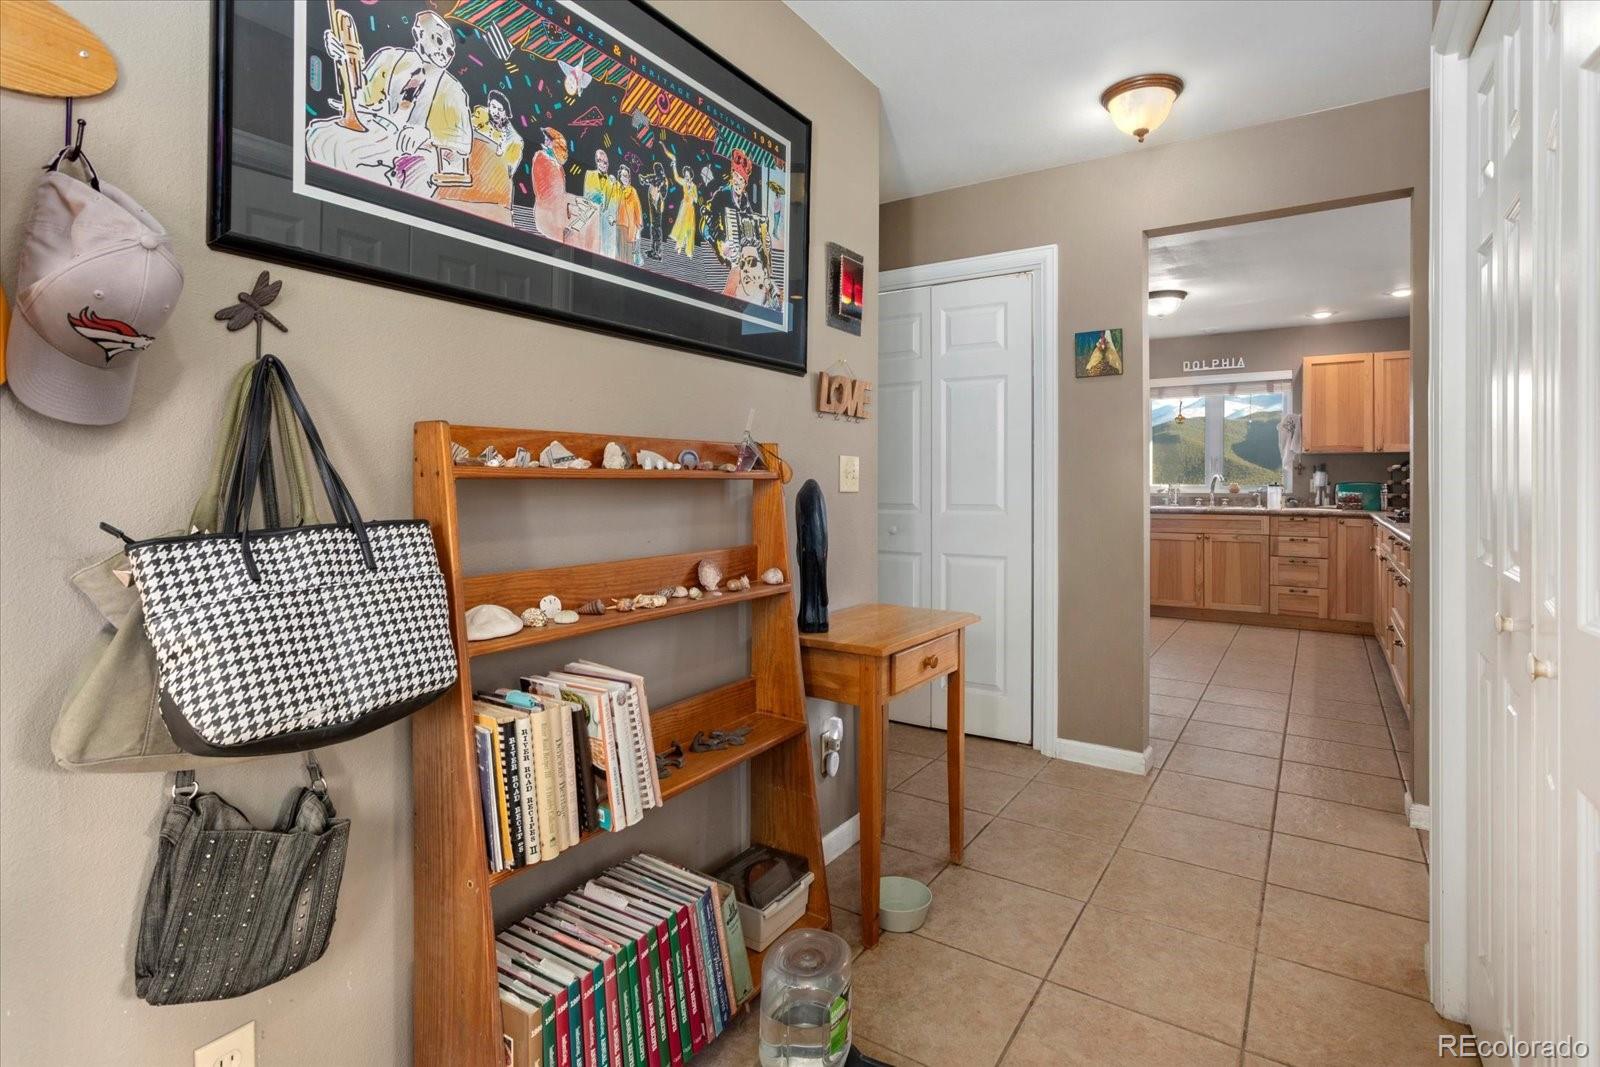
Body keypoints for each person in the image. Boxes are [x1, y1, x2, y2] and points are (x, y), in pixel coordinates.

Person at [305, 9, 470, 197]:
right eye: (438, 40)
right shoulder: (389, 57)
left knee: (418, 171)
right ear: (419, 34)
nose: (444, 52)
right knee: (321, 136)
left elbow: (461, 145)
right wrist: (344, 58)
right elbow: (358, 97)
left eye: (450, 49)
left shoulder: (454, 91)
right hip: (376, 134)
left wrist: (427, 136)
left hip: (419, 153)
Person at [436, 89, 523, 222]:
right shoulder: (479, 116)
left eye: (500, 109)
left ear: (506, 113)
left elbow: (509, 171)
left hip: (493, 185)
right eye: (493, 106)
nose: (495, 112)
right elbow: (464, 135)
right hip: (468, 173)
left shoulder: (514, 140)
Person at [531, 126, 570, 242]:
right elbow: (540, 189)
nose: (545, 141)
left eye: (548, 139)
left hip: (557, 216)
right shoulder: (541, 156)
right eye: (545, 139)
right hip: (546, 212)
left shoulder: (559, 166)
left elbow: (561, 192)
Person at [583, 148, 620, 259]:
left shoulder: (614, 183)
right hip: (593, 220)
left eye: (605, 162)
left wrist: (613, 219)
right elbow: (588, 197)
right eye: (599, 161)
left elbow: (615, 206)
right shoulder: (590, 175)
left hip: (608, 227)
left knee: (608, 257)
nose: (602, 164)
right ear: (596, 161)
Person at [664, 145, 698, 258]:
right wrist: (674, 166)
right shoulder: (684, 182)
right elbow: (676, 178)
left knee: (689, 228)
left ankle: (688, 250)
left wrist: (691, 191)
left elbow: (696, 200)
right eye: (686, 175)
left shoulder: (693, 186)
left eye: (688, 176)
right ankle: (679, 245)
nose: (686, 177)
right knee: (681, 226)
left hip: (690, 209)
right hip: (684, 207)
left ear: (691, 176)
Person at [615, 163, 643, 265]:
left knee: (628, 256)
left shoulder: (633, 191)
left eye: (627, 176)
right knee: (619, 254)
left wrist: (639, 229)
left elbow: (638, 210)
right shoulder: (617, 189)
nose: (625, 178)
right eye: (623, 175)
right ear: (620, 176)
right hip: (618, 225)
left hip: (630, 228)